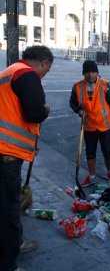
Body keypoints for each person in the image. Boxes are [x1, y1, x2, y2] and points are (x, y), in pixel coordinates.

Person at [0, 46, 53, 271]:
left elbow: (12, 112)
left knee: (5, 204)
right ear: (42, 62)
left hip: (6, 150)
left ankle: (14, 243)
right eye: (47, 70)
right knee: (8, 209)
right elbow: (34, 112)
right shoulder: (27, 74)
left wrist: (31, 144)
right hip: (6, 154)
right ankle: (8, 263)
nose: (45, 74)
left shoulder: (10, 71)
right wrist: (46, 110)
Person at [69, 60, 110, 186]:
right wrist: (78, 110)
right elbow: (72, 103)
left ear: (97, 73)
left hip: (105, 125)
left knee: (107, 151)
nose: (90, 75)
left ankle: (109, 171)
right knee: (90, 152)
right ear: (83, 73)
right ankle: (92, 176)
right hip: (88, 125)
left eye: (93, 72)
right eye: (87, 72)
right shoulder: (77, 87)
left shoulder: (105, 85)